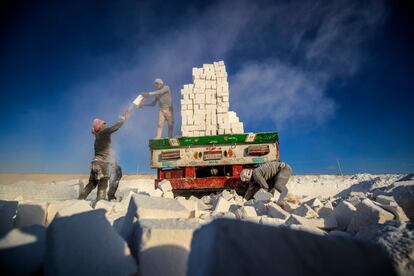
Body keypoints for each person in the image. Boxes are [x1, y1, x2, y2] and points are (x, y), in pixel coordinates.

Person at [78, 107, 131, 201]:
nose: (106, 125)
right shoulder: (103, 132)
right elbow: (116, 127)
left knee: (92, 184)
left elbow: (106, 154)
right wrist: (123, 117)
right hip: (101, 163)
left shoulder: (98, 136)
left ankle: (79, 200)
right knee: (103, 183)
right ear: (100, 126)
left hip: (96, 163)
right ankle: (100, 203)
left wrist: (113, 164)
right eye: (104, 124)